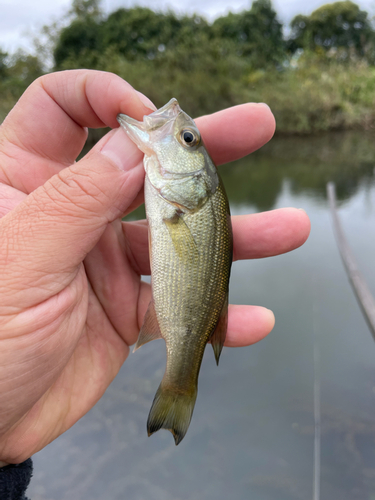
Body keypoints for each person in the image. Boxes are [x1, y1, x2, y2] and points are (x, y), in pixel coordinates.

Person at [0, 70, 310, 498]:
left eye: (187, 141)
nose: (180, 127)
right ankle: (178, 389)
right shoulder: (182, 196)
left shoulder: (190, 200)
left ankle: (179, 385)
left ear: (197, 181)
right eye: (190, 139)